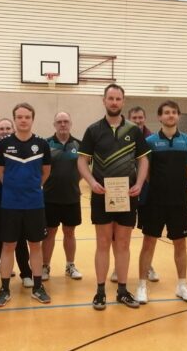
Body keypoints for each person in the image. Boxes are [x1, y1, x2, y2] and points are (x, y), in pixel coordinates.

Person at [78, 84, 149, 310]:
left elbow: (143, 160)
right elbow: (82, 161)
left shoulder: (133, 130)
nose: (114, 102)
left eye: (118, 99)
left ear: (123, 101)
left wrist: (139, 183)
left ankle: (122, 291)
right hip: (102, 195)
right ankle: (100, 292)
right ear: (104, 101)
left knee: (123, 243)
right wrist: (92, 182)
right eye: (111, 98)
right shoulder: (93, 130)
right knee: (103, 242)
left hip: (127, 195)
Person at [136, 101, 187, 304]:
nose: (170, 115)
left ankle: (182, 285)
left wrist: (175, 184)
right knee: (148, 242)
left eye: (174, 112)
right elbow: (146, 171)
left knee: (180, 244)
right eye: (166, 113)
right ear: (160, 117)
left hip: (178, 202)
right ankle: (142, 286)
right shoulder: (150, 142)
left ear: (178, 116)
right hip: (155, 202)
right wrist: (161, 184)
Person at [0, 103, 52, 307]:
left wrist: (32, 187)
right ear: (14, 119)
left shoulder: (42, 144)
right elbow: (0, 173)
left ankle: (38, 287)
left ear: (32, 119)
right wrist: (14, 188)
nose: (23, 120)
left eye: (27, 117)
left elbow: (46, 172)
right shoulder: (3, 145)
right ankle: (4, 289)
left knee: (35, 245)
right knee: (8, 245)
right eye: (19, 117)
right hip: (10, 204)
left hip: (34, 204)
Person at [0, 118, 32, 289]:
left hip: (18, 202)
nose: (4, 131)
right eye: (1, 128)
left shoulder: (21, 151)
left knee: (20, 239)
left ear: (13, 129)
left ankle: (26, 274)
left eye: (8, 128)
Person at [111, 106, 157, 282]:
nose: (138, 121)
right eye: (134, 118)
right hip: (123, 192)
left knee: (149, 234)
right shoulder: (120, 138)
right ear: (128, 119)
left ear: (145, 118)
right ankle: (117, 267)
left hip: (147, 194)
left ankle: (148, 266)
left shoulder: (151, 140)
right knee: (119, 234)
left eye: (140, 117)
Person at [41, 112, 83, 281]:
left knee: (70, 232)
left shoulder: (79, 144)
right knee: (49, 233)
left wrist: (72, 182)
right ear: (54, 124)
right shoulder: (46, 144)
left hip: (71, 197)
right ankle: (45, 266)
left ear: (70, 123)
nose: (63, 124)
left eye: (66, 121)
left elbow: (83, 169)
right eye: (59, 122)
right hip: (49, 197)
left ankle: (70, 265)